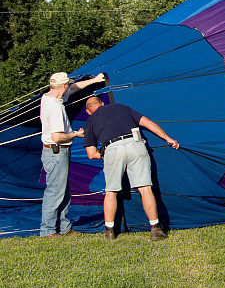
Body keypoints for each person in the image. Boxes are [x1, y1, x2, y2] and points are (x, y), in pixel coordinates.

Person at [83, 96, 180, 241]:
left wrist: (105, 155)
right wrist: (167, 138)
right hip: (135, 143)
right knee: (145, 188)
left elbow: (91, 154)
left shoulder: (90, 121)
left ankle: (110, 231)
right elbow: (147, 123)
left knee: (111, 191)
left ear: (88, 111)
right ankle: (156, 229)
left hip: (112, 148)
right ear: (103, 103)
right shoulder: (121, 107)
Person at [39, 71, 106, 238]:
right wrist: (76, 134)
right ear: (63, 86)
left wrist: (95, 81)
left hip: (55, 152)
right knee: (55, 192)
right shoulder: (54, 107)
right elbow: (57, 137)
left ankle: (64, 228)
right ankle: (47, 231)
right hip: (56, 151)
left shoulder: (49, 97)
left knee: (63, 190)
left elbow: (74, 88)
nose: (70, 86)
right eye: (67, 84)